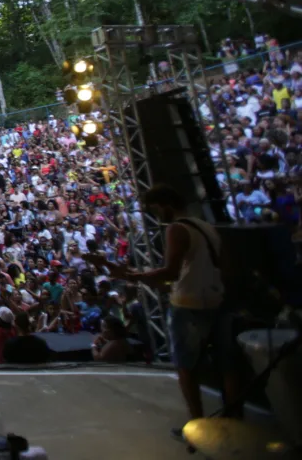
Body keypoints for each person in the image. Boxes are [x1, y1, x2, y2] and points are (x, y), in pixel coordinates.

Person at [88, 184, 241, 432]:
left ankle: (198, 424)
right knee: (227, 364)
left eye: (155, 209)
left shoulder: (177, 229)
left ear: (165, 204)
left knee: (185, 365)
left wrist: (136, 276)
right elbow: (225, 267)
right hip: (217, 299)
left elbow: (170, 272)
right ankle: (235, 419)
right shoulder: (207, 227)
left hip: (189, 303)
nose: (155, 215)